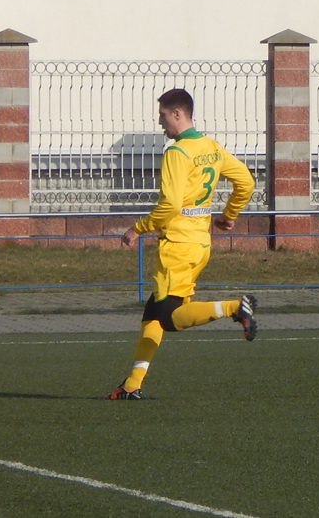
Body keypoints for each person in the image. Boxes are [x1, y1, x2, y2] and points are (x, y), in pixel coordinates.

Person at [105, 88, 257, 401]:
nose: (160, 123)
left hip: (177, 245)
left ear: (178, 113)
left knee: (168, 318)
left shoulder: (177, 153)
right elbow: (246, 181)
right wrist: (229, 215)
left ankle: (234, 307)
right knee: (153, 314)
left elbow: (171, 205)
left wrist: (138, 229)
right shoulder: (210, 147)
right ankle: (132, 384)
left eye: (163, 116)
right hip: (200, 243)